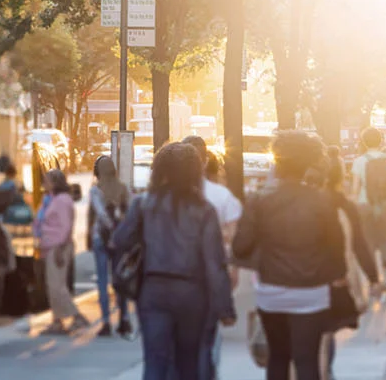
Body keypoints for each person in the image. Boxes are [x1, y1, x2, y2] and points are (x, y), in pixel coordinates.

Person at [234, 132, 381, 380]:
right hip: (312, 292)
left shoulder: (259, 200)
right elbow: (335, 249)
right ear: (308, 164)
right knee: (307, 359)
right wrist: (338, 278)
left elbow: (240, 247)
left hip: (272, 291)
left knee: (278, 357)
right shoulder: (322, 201)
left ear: (277, 163)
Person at [110, 142, 236, 379]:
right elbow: (214, 263)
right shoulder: (204, 209)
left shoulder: (144, 204)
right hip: (192, 293)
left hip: (153, 290)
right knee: (188, 362)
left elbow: (120, 240)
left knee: (155, 361)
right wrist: (224, 308)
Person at [87, 154, 137, 337]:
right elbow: (130, 214)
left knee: (102, 280)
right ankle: (124, 319)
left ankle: (106, 321)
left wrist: (91, 236)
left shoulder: (95, 191)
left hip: (101, 238)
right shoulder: (123, 188)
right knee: (119, 279)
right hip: (120, 240)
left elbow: (95, 215)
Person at [35, 172, 91, 332]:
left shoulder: (62, 201)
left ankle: (76, 316)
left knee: (56, 286)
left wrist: (59, 248)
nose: (44, 183)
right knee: (52, 286)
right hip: (50, 246)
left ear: (55, 182)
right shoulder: (52, 199)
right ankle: (57, 321)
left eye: (47, 181)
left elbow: (65, 227)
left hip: (59, 246)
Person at [347, 129, 386, 276]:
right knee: (384, 237)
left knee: (368, 240)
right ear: (381, 140)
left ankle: (373, 275)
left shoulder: (359, 161)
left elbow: (356, 189)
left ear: (364, 142)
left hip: (365, 204)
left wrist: (352, 204)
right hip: (385, 204)